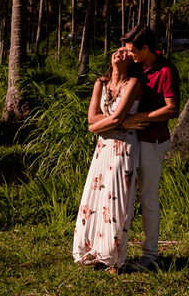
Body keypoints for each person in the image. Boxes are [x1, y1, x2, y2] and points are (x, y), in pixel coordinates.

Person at [73, 48, 143, 271]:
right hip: (103, 146)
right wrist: (99, 124)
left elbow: (115, 117)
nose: (120, 53)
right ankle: (94, 251)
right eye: (118, 50)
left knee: (117, 200)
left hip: (124, 146)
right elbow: (92, 117)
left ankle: (113, 256)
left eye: (126, 52)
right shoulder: (100, 83)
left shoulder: (133, 84)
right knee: (96, 198)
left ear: (132, 60)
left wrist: (95, 127)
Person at [119, 25, 181, 273]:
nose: (130, 54)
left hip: (152, 141)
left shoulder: (165, 70)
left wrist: (141, 117)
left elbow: (172, 108)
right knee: (126, 197)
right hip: (131, 140)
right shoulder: (136, 66)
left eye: (133, 50)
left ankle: (150, 255)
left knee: (148, 197)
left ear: (146, 48)